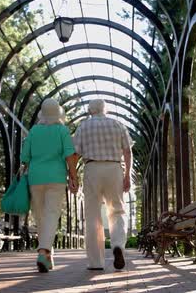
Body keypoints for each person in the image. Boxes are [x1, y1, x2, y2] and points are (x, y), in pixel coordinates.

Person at [72, 99, 133, 270]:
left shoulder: (83, 126)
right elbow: (128, 151)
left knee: (92, 216)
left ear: (90, 110)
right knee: (118, 210)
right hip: (114, 168)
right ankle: (118, 245)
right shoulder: (117, 124)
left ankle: (95, 262)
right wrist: (127, 175)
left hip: (92, 168)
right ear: (105, 109)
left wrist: (73, 176)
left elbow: (75, 154)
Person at [20, 98, 78, 273]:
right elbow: (70, 155)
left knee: (40, 217)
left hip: (35, 178)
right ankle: (44, 251)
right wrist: (74, 177)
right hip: (56, 178)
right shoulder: (62, 130)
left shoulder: (34, 131)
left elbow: (25, 157)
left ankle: (47, 257)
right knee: (52, 214)